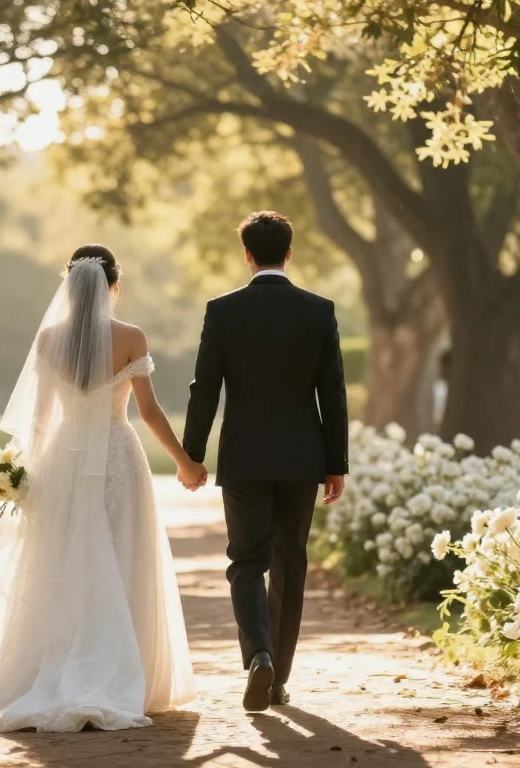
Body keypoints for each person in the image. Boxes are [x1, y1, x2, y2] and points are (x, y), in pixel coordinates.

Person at [0, 244, 197, 732]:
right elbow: (151, 412)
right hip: (117, 456)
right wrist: (185, 463)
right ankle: (123, 676)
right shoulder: (131, 336)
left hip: (64, 459)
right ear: (114, 285)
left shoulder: (49, 339)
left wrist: (26, 476)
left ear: (69, 286)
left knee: (59, 562)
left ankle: (49, 670)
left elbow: (38, 420)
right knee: (121, 556)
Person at [182, 210, 349, 712]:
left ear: (247, 255)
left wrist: (193, 454)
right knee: (289, 564)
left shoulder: (223, 310)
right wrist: (336, 463)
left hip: (245, 459)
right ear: (289, 253)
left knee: (246, 562)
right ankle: (278, 682)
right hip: (302, 458)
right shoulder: (319, 310)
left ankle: (258, 655)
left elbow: (205, 387)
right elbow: (333, 392)